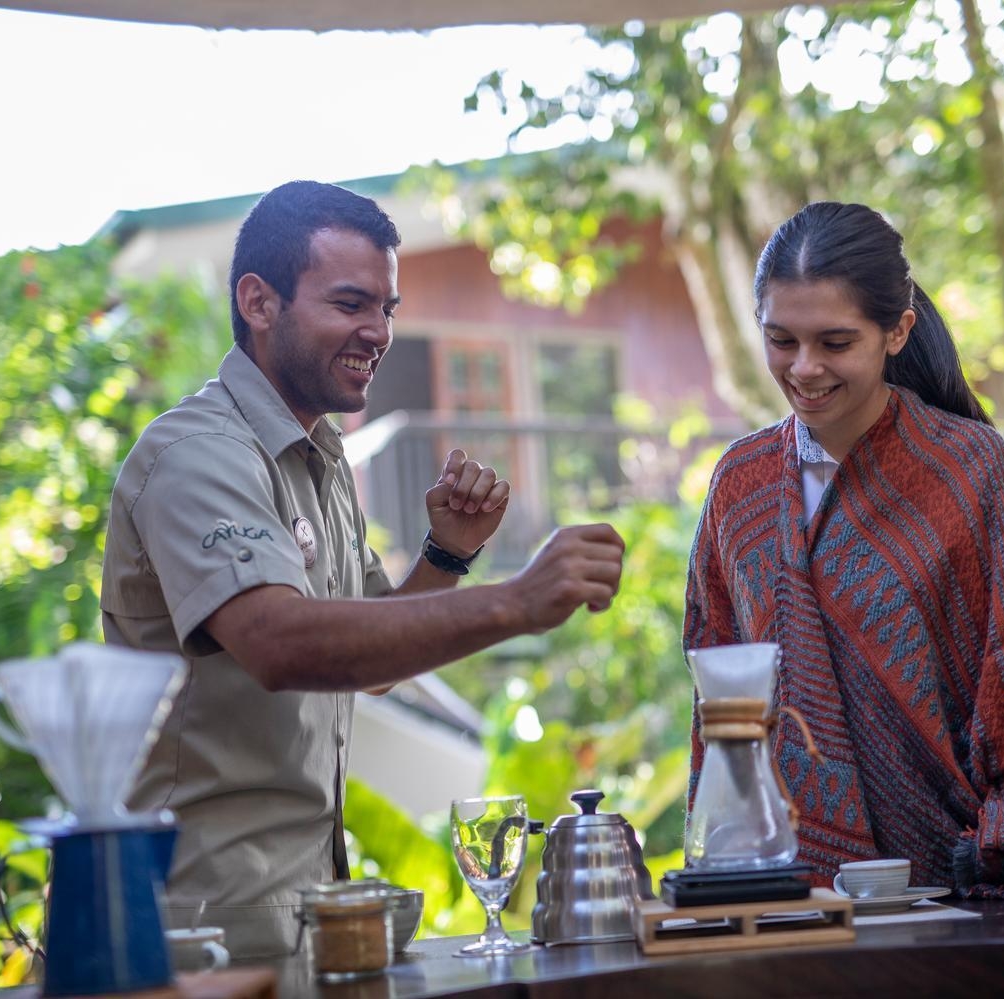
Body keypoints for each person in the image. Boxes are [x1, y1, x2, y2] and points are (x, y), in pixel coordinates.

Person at [100, 180, 625, 957]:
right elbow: (280, 644)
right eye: (350, 303)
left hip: (304, 910)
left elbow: (369, 664)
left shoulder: (323, 457)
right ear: (258, 301)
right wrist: (517, 601)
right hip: (200, 924)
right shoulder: (197, 454)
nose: (378, 331)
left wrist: (446, 554)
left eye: (388, 308)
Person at [682, 201, 1004, 906]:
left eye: (835, 342)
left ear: (898, 331)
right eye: (781, 339)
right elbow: (720, 693)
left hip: (957, 884)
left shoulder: (966, 469)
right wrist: (721, 864)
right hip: (789, 889)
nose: (804, 368)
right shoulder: (740, 485)